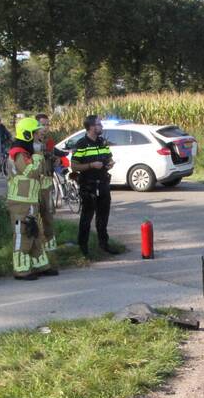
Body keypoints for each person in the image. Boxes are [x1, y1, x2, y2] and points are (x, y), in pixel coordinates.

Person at [6, 117, 58, 280]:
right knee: (23, 234)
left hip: (29, 200)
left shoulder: (26, 152)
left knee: (34, 233)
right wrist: (37, 154)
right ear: (28, 135)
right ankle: (21, 269)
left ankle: (40, 265)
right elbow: (32, 172)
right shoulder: (19, 153)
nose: (38, 136)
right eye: (35, 133)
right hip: (20, 202)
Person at [70, 114, 120, 257]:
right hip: (88, 186)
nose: (101, 127)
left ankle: (104, 244)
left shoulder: (102, 142)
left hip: (103, 184)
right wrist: (91, 165)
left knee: (103, 217)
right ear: (92, 127)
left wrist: (109, 164)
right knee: (86, 218)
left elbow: (108, 158)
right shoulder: (81, 144)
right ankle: (83, 248)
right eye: (99, 124)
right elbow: (74, 166)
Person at [34, 112, 63, 252]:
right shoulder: (32, 143)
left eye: (47, 124)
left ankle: (50, 248)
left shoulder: (49, 141)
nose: (45, 128)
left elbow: (51, 155)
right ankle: (39, 246)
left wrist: (56, 159)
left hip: (47, 182)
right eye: (42, 125)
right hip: (35, 185)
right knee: (37, 217)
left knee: (48, 216)